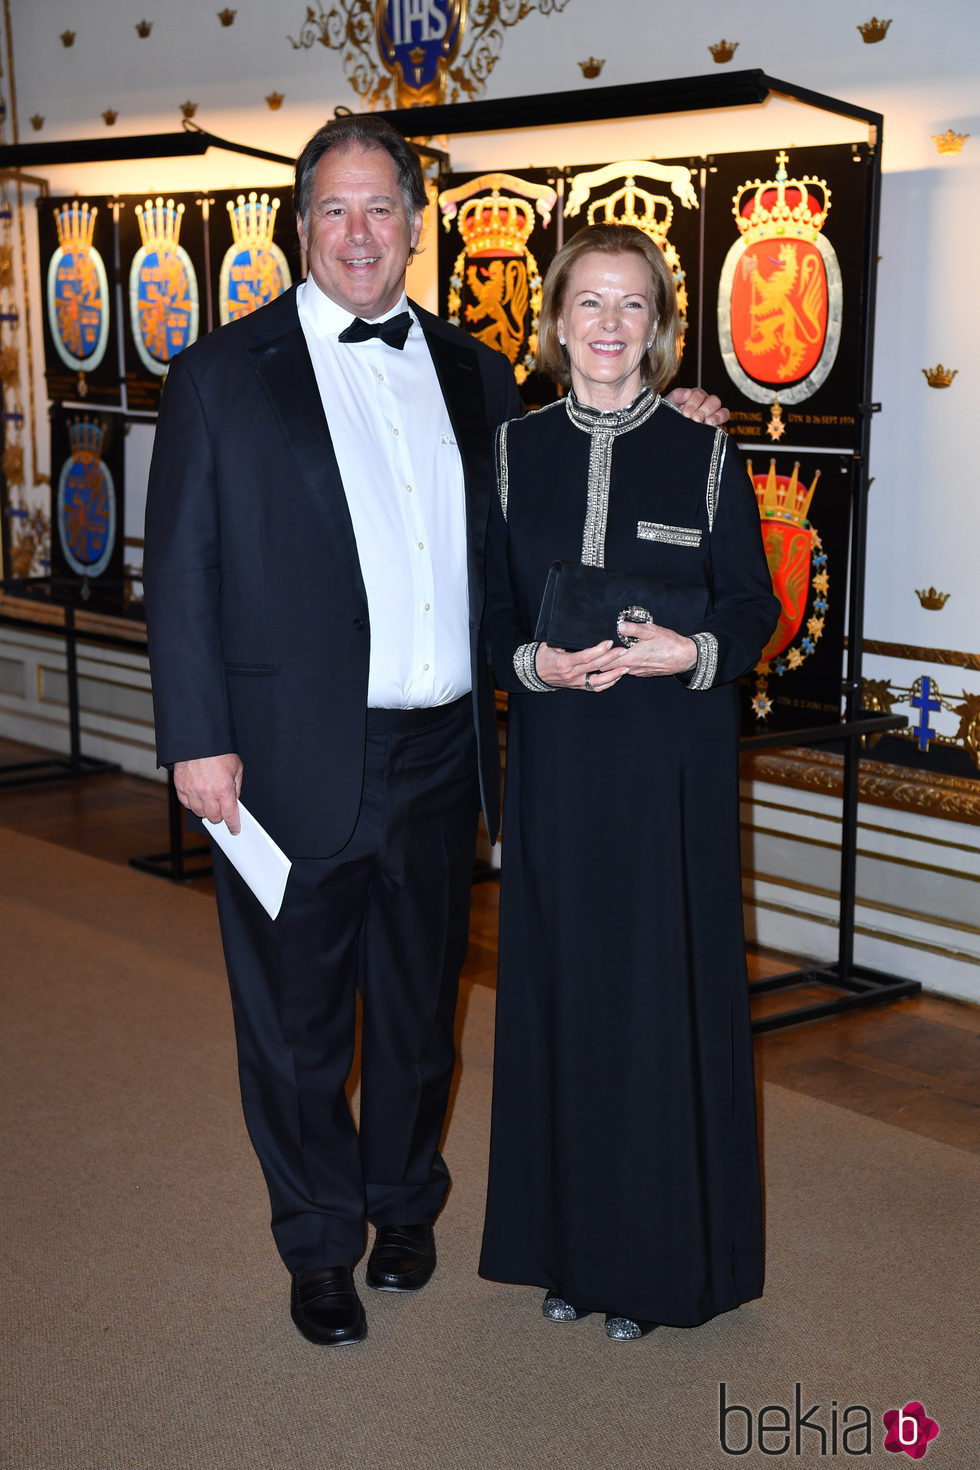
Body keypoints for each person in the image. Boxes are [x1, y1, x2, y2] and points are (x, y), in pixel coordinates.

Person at [143, 117, 727, 1348]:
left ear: (417, 223)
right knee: (296, 1029)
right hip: (280, 756)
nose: (359, 234)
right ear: (302, 227)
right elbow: (180, 570)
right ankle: (317, 1247)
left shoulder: (477, 375)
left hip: (443, 751)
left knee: (417, 1016)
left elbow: (563, 499)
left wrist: (675, 418)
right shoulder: (217, 374)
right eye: (335, 211)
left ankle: (404, 1203)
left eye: (381, 209)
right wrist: (195, 737)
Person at [478, 222, 779, 1342]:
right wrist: (532, 666)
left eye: (631, 307)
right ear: (554, 321)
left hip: (668, 777)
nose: (608, 326)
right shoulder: (512, 453)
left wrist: (684, 654)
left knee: (655, 1008)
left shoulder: (704, 452)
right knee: (562, 1000)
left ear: (658, 329)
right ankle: (562, 1249)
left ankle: (651, 1269)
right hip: (558, 766)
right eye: (588, 305)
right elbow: (489, 615)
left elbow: (753, 608)